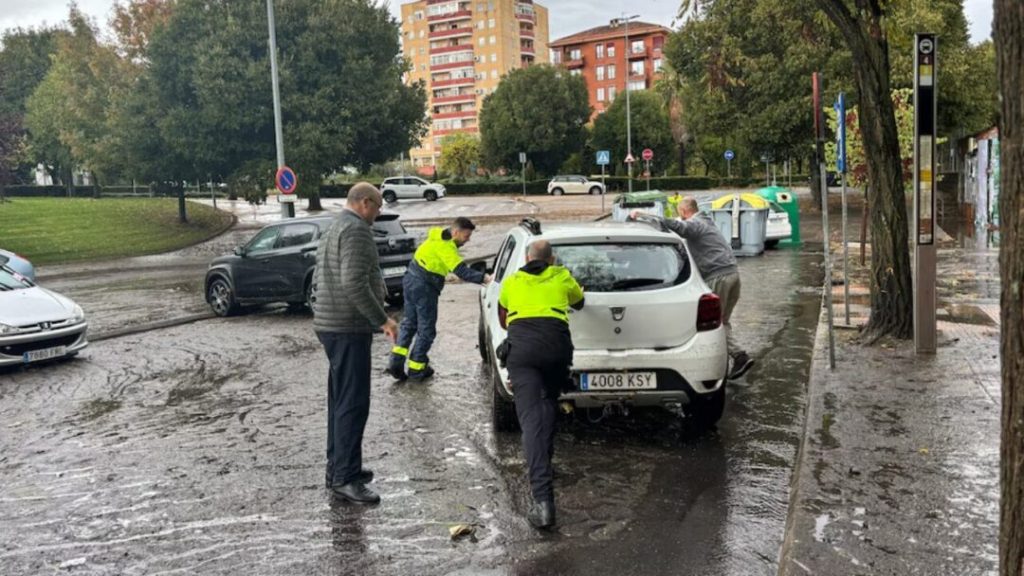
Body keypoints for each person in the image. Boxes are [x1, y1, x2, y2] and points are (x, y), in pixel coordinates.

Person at [312, 182, 399, 505]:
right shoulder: (357, 231)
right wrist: (384, 320)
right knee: (353, 403)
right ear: (365, 202)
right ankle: (345, 479)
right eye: (377, 207)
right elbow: (353, 281)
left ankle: (338, 468)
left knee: (340, 401)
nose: (377, 215)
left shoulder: (334, 226)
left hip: (330, 324)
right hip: (347, 327)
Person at [498, 240, 585, 530]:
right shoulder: (561, 276)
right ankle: (545, 463)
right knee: (548, 405)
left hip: (523, 352)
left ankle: (543, 502)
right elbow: (579, 301)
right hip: (557, 349)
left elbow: (504, 313)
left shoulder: (511, 281)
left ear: (526, 257)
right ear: (553, 259)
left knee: (532, 420)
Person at [631, 197, 755, 380]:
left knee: (715, 324)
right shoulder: (707, 222)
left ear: (683, 211)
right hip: (733, 274)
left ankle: (737, 357)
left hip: (718, 276)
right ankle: (733, 359)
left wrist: (644, 215)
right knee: (723, 321)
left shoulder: (696, 223)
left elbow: (682, 228)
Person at [386, 217, 491, 381]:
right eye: (466, 236)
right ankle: (417, 368)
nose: (468, 240)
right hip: (424, 286)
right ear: (456, 232)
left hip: (410, 279)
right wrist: (486, 279)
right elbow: (462, 271)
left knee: (409, 323)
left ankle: (395, 364)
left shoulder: (437, 235)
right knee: (426, 330)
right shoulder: (446, 247)